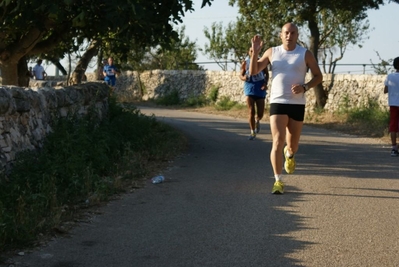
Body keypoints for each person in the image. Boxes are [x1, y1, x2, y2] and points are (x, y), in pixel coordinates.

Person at [249, 23, 323, 194]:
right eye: (286, 33)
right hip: (277, 101)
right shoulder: (272, 52)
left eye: (293, 33)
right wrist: (255, 53)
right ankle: (278, 181)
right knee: (277, 140)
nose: (289, 35)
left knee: (293, 145)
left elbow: (318, 76)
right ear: (281, 35)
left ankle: (289, 155)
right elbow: (254, 71)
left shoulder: (305, 54)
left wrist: (304, 87)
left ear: (297, 35)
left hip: (297, 104)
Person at [239, 48, 269, 140]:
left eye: (254, 51)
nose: (253, 52)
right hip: (249, 88)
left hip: (260, 88)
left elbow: (266, 74)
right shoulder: (245, 63)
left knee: (260, 113)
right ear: (249, 52)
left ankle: (257, 120)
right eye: (251, 51)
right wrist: (245, 78)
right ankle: (252, 132)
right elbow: (241, 75)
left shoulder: (261, 62)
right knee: (251, 111)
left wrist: (265, 84)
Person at [383, 57, 399, 157]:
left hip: (393, 104)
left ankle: (393, 148)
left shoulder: (390, 76)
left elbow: (385, 90)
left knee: (393, 126)